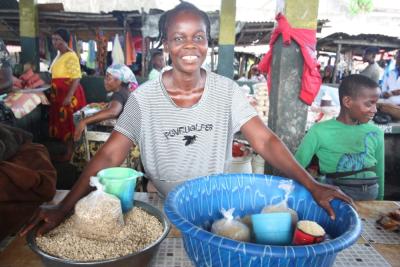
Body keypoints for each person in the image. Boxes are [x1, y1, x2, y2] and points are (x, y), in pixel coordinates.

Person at [21, 2, 352, 237]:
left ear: (208, 43)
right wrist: (63, 208)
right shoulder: (144, 98)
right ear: (165, 44)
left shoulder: (226, 91)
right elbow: (108, 155)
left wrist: (313, 185)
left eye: (198, 36)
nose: (189, 45)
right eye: (178, 38)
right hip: (164, 207)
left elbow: (264, 140)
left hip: (217, 211)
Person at [295, 74, 384, 201]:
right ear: (347, 102)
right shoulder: (319, 131)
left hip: (370, 196)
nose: (374, 110)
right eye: (370, 104)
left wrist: (380, 202)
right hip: (335, 197)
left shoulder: (376, 132)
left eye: (376, 104)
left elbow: (380, 171)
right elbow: (297, 166)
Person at [48, 28, 87, 161]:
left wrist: (69, 96)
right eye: (53, 39)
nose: (55, 42)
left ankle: (70, 154)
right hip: (59, 94)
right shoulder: (59, 55)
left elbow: (76, 77)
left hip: (69, 94)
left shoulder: (71, 55)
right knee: (63, 123)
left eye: (58, 39)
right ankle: (69, 152)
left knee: (69, 123)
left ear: (65, 40)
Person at [73, 64, 138, 141]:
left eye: (108, 78)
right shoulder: (125, 91)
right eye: (105, 77)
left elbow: (113, 112)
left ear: (119, 80)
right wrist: (109, 104)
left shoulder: (118, 94)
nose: (105, 81)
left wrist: (84, 121)